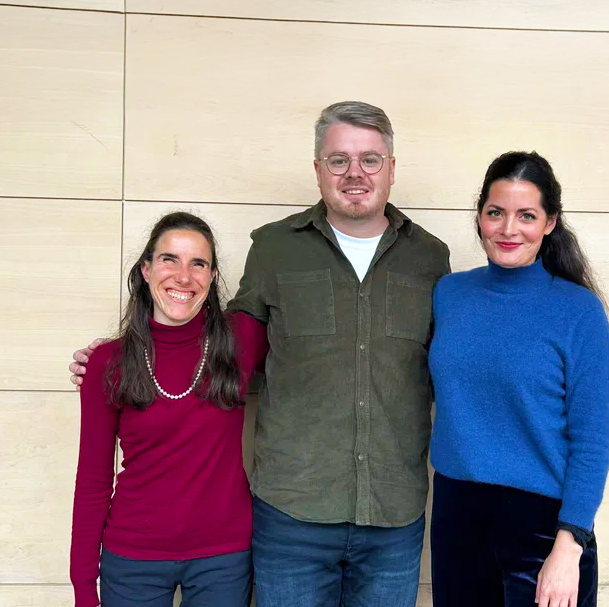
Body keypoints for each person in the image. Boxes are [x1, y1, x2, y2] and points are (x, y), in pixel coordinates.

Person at [71, 101, 450, 607]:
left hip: (393, 516)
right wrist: (122, 353)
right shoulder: (274, 248)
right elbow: (226, 333)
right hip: (291, 518)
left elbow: (455, 358)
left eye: (370, 159)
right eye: (338, 159)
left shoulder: (430, 257)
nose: (355, 173)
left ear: (392, 168)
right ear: (318, 169)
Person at [427, 152, 609, 607]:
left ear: (549, 223)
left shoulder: (578, 312)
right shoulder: (449, 294)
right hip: (457, 514)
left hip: (544, 526)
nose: (509, 229)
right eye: (496, 213)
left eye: (526, 215)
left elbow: (591, 441)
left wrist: (569, 545)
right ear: (480, 217)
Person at [70, 212, 268, 607]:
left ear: (212, 277)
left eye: (198, 263)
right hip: (133, 556)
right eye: (169, 260)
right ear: (146, 269)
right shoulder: (108, 363)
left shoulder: (242, 340)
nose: (183, 276)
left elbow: (311, 348)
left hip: (224, 557)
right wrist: (82, 587)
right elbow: (92, 480)